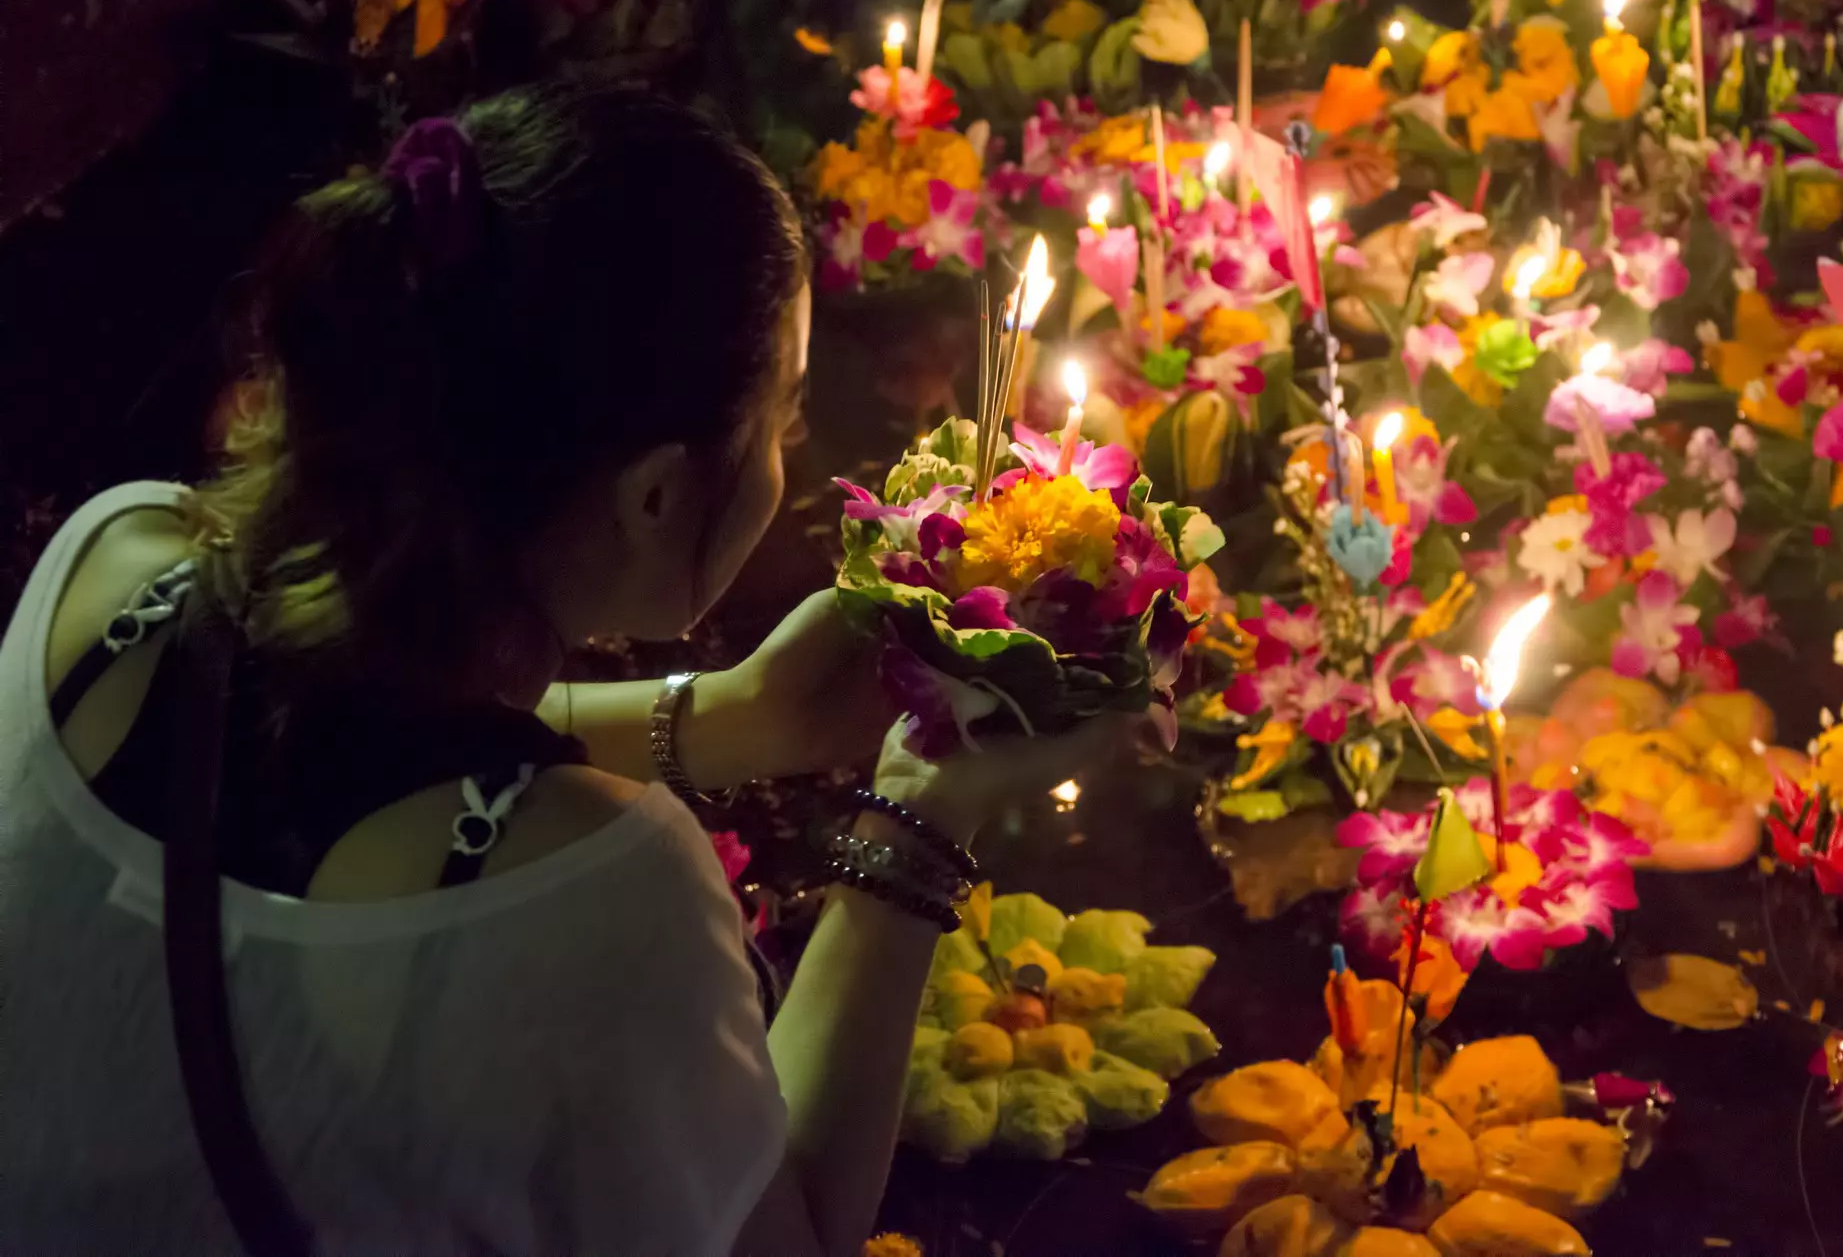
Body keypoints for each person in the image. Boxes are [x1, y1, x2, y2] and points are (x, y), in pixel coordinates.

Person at [0, 84, 1115, 1255]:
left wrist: (732, 716)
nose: (790, 453)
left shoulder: (117, 565)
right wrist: (920, 821)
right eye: (781, 420)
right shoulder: (603, 908)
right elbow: (786, 1227)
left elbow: (349, 745)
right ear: (653, 493)